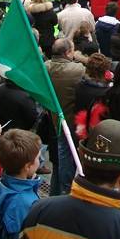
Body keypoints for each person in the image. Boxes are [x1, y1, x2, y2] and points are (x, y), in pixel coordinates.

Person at [45, 39, 86, 196]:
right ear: (68, 52)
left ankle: (57, 190)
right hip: (69, 120)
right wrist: (82, 58)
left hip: (52, 118)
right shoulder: (77, 69)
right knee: (66, 156)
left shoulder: (45, 67)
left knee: (59, 157)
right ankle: (65, 190)